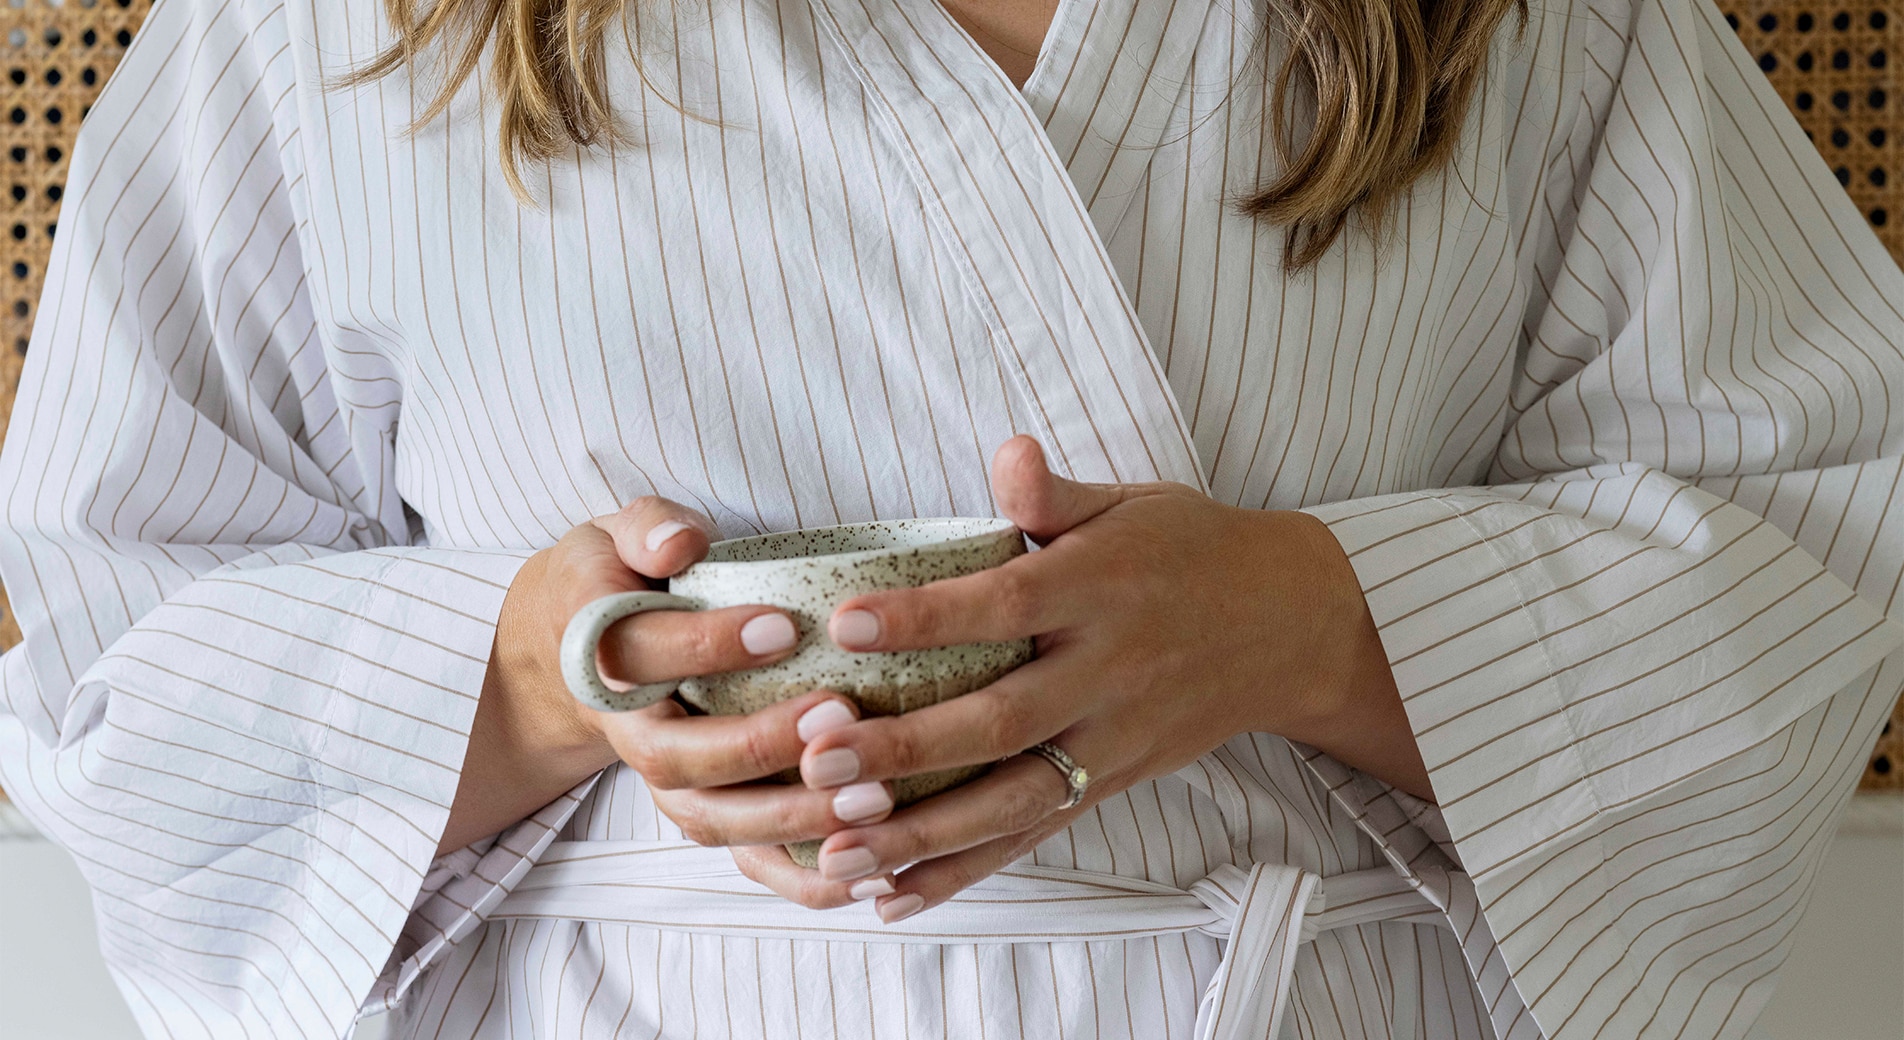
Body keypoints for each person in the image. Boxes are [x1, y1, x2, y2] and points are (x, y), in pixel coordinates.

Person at [0, 0, 1899, 1033]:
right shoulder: (324, 35)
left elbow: (1818, 536)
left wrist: (1311, 620)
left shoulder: (1538, 25)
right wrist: (530, 683)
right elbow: (107, 659)